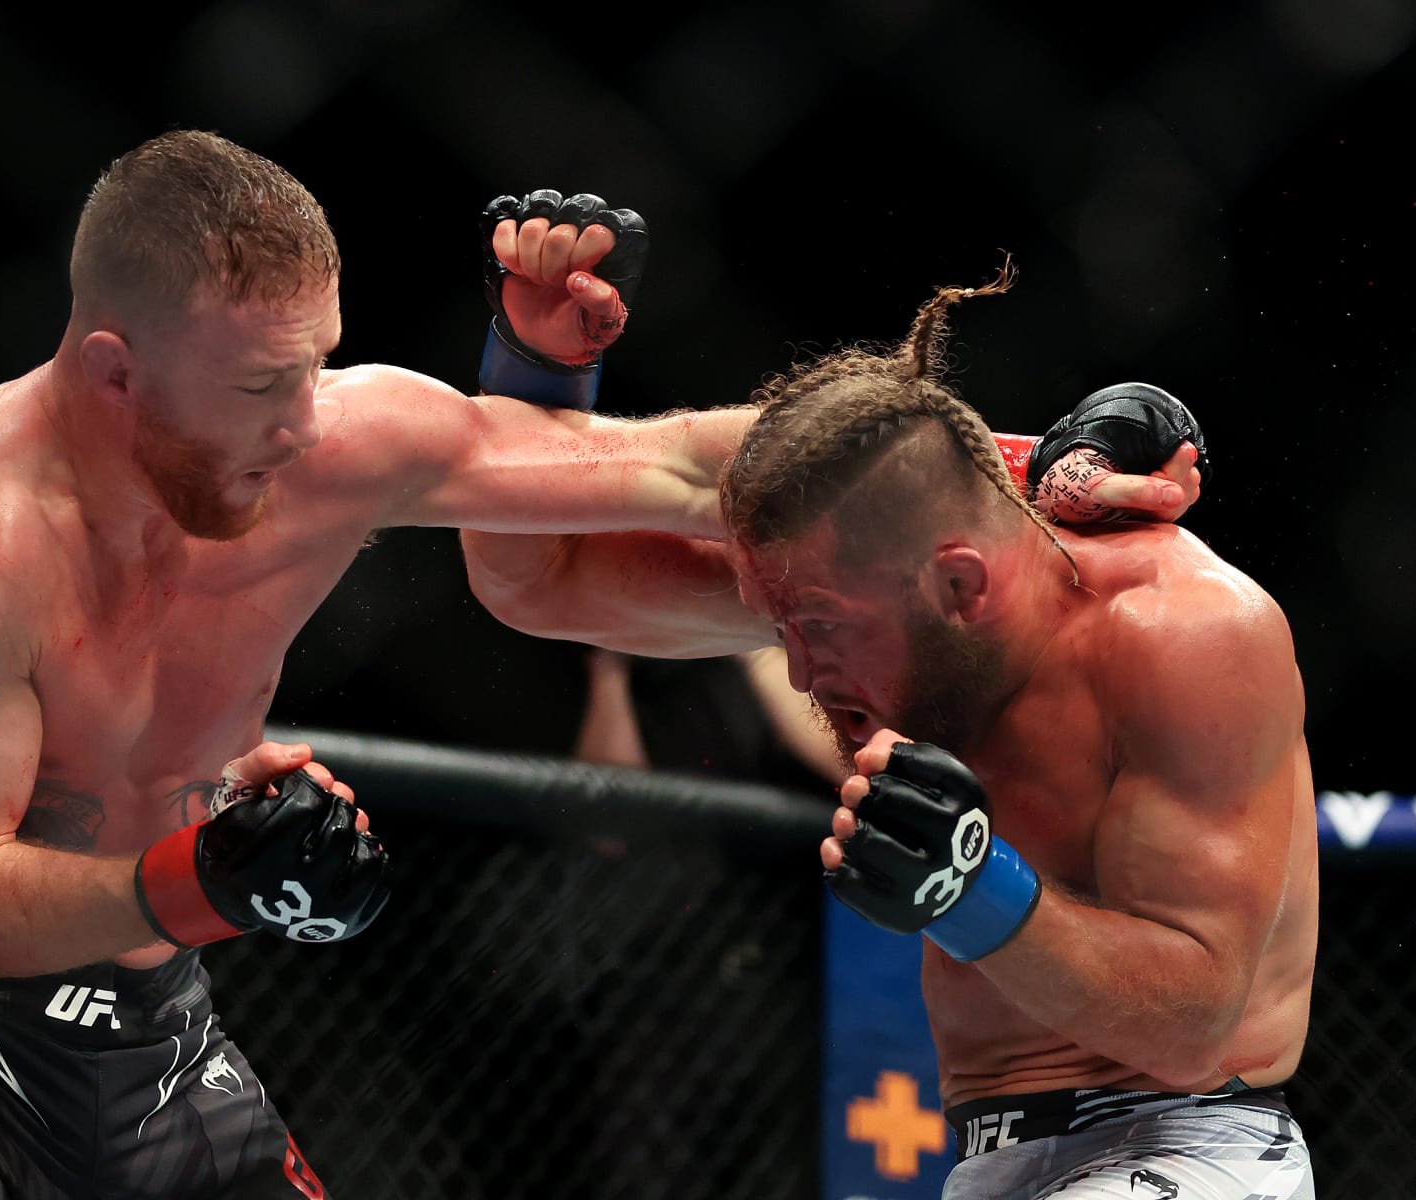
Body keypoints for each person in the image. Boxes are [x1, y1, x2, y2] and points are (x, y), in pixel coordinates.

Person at [0, 123, 1199, 1199]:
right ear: (113, 374)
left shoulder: (333, 444)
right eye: (262, 386)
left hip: (147, 1033)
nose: (303, 419)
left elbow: (660, 465)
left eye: (318, 365)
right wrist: (212, 876)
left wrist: (1018, 464)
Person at [466, 269, 1316, 1198]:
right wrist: (541, 367)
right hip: (988, 1160)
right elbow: (535, 580)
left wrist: (973, 890)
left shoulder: (1183, 633)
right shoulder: (871, 605)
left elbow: (1194, 1029)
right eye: (776, 624)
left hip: (1188, 1146)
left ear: (959, 586)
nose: (796, 670)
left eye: (816, 628)